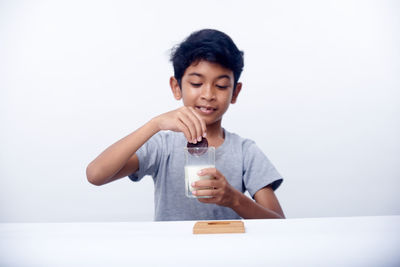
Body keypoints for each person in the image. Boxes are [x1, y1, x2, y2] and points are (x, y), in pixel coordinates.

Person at [86, 29, 285, 221]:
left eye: (221, 86)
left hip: (227, 253)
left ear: (235, 92)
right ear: (176, 87)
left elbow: (278, 223)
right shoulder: (163, 146)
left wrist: (234, 199)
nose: (208, 95)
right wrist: (155, 124)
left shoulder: (245, 152)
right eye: (197, 84)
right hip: (172, 254)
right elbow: (96, 175)